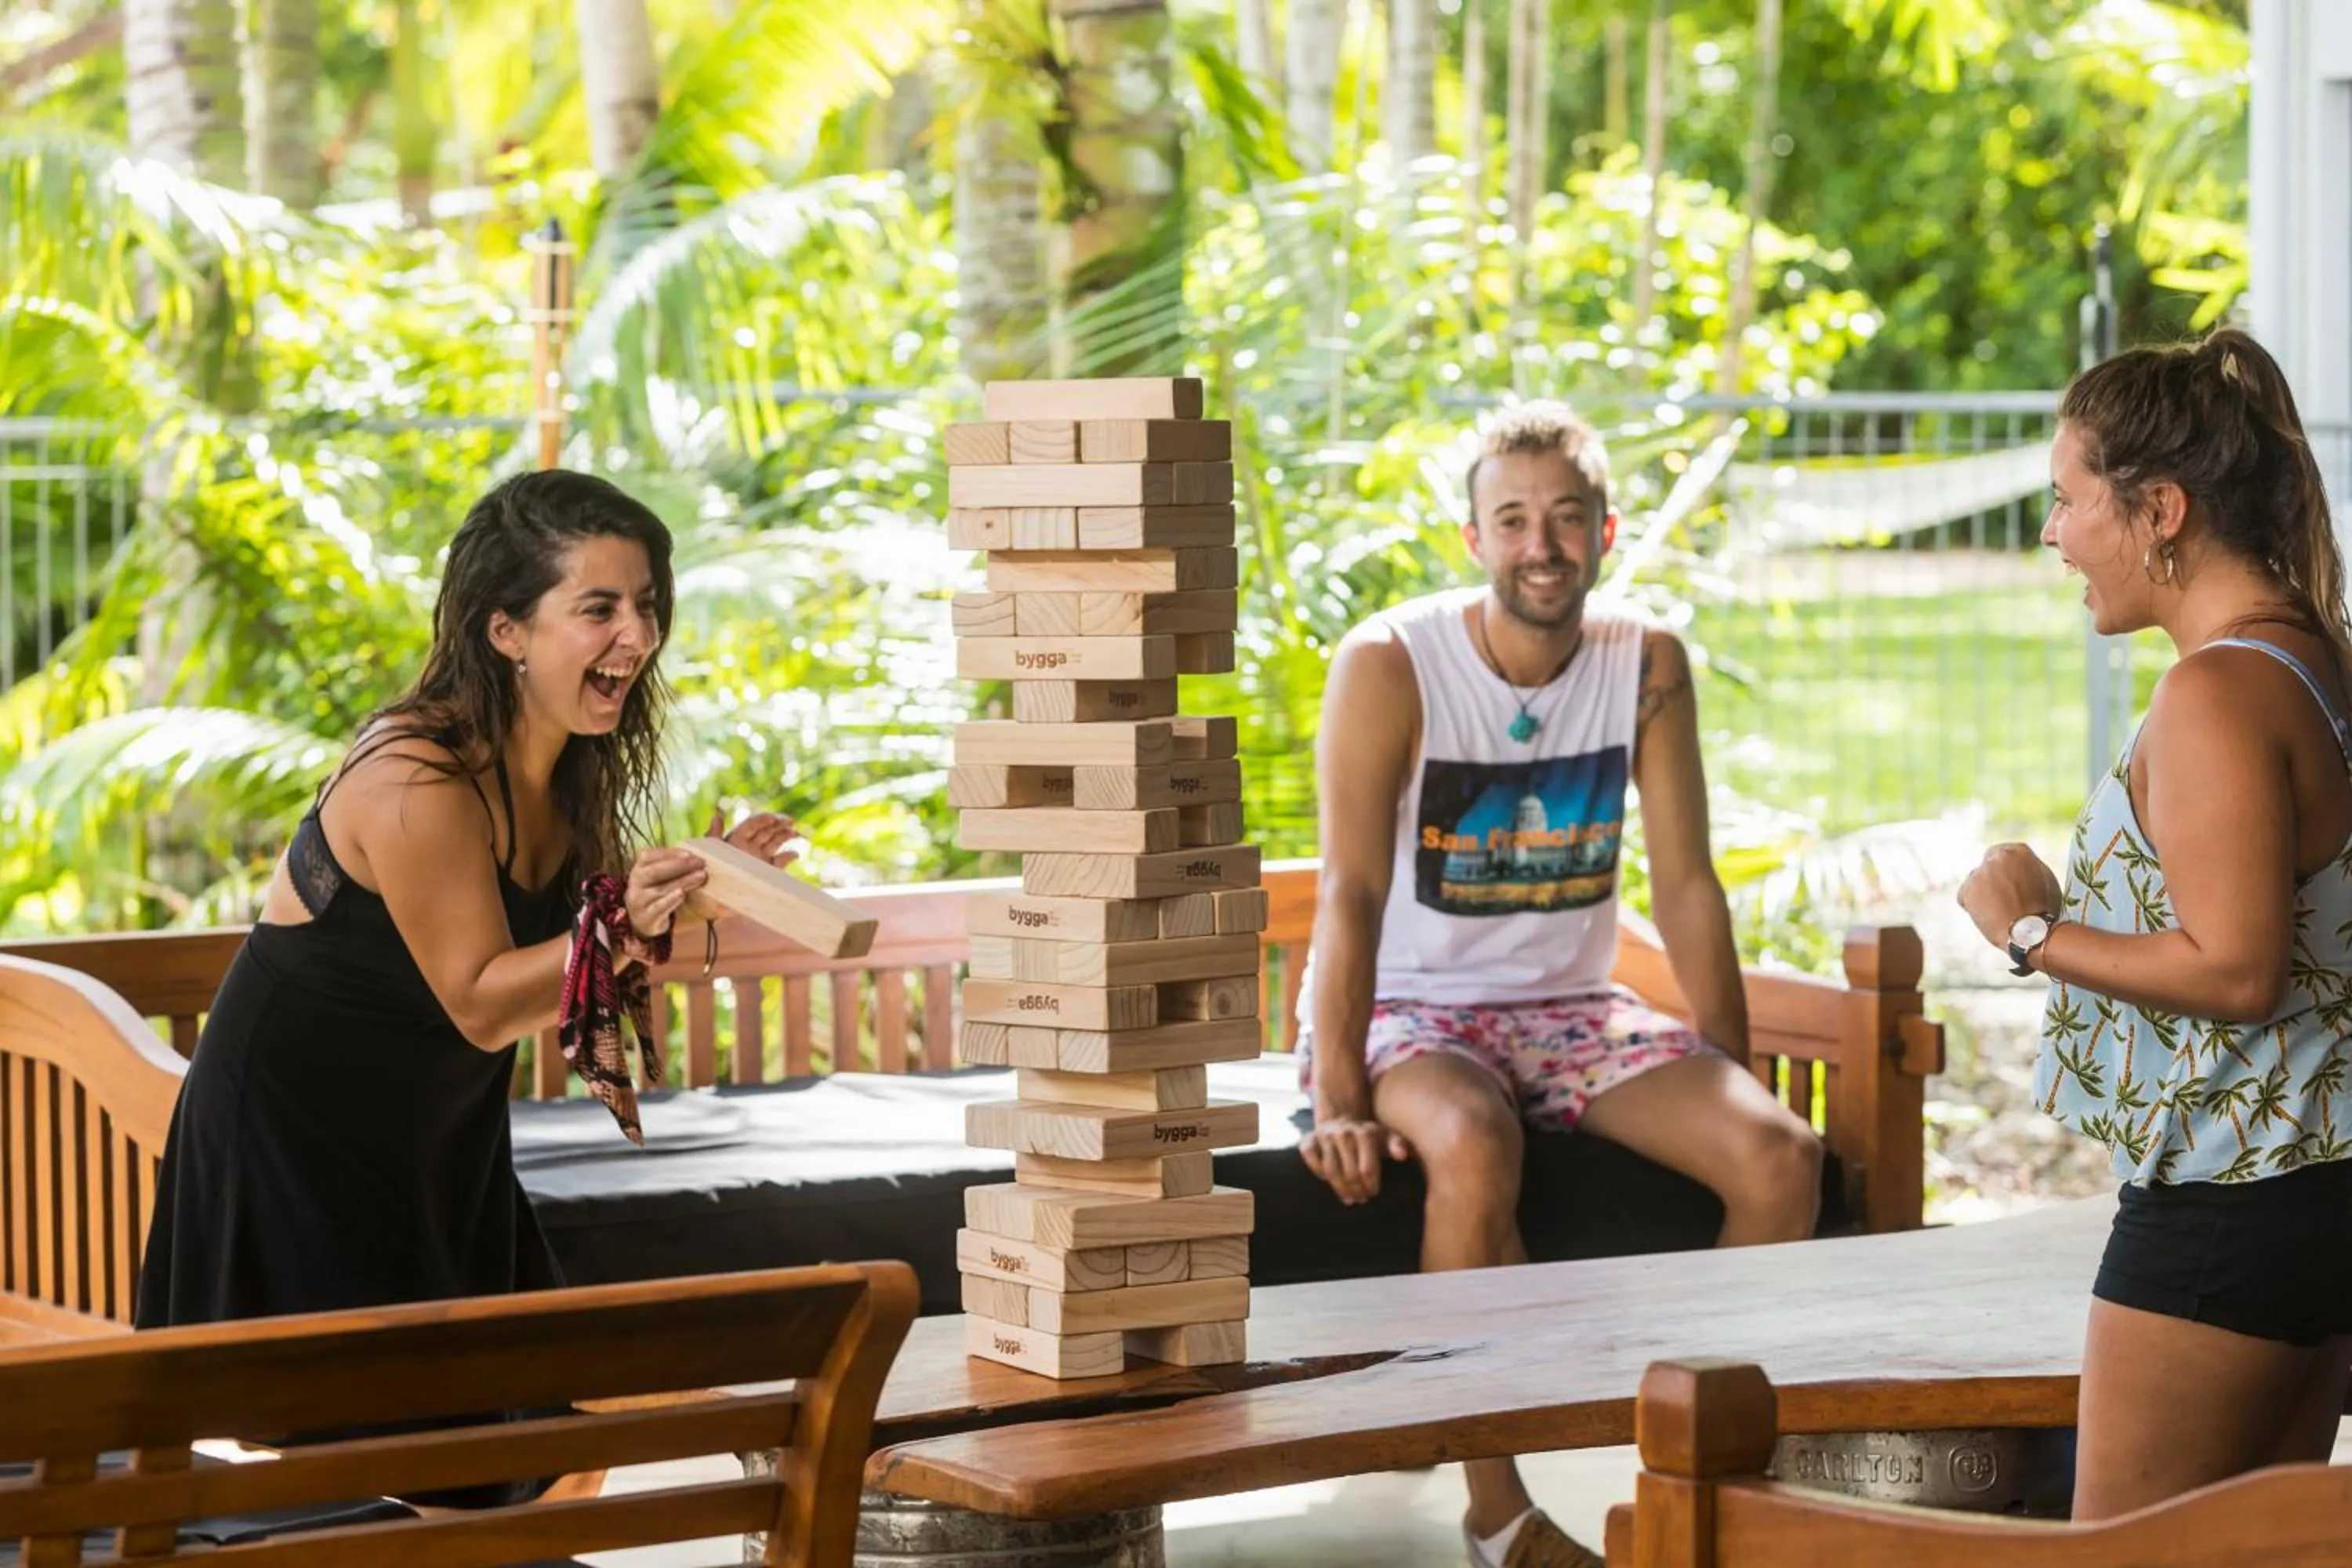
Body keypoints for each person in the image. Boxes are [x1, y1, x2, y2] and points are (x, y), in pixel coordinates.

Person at [1296, 401, 1824, 1568]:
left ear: (1606, 529)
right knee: (1475, 1140)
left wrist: (1725, 1065)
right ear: (1474, 538)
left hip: (1576, 1015)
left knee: (1784, 1157)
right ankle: (1497, 1512)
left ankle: (1684, 1482)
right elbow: (1348, 895)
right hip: (1415, 1008)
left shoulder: (1647, 664)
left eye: (1567, 518)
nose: (1543, 545)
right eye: (1515, 520)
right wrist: (1337, 1100)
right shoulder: (1392, 662)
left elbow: (1687, 884)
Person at [135, 468, 798, 1338]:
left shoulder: (571, 770)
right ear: (506, 630)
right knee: (330, 1448)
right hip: (292, 1138)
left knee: (491, 1429)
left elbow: (571, 950)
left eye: (646, 603)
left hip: (438, 1131)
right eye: (599, 609)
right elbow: (485, 1001)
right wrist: (627, 924)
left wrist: (683, 900)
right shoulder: (416, 776)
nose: (637, 635)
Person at [1958, 328, 2352, 1521]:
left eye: (2068, 500)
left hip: (2231, 1208)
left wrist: (2033, 934)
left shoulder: (2218, 691)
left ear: (2160, 510)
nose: (2053, 534)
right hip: (2311, 1189)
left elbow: (2235, 971)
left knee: (2118, 1554)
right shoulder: (2312, 659)